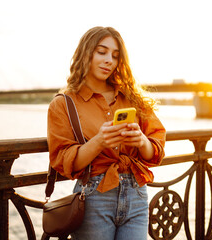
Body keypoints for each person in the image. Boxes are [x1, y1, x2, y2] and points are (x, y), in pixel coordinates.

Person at [47, 26, 166, 240]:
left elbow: (156, 152)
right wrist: (99, 141)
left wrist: (141, 141)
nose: (109, 60)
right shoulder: (63, 104)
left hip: (137, 193)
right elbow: (65, 162)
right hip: (94, 197)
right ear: (86, 53)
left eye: (115, 55)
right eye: (101, 52)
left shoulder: (132, 98)